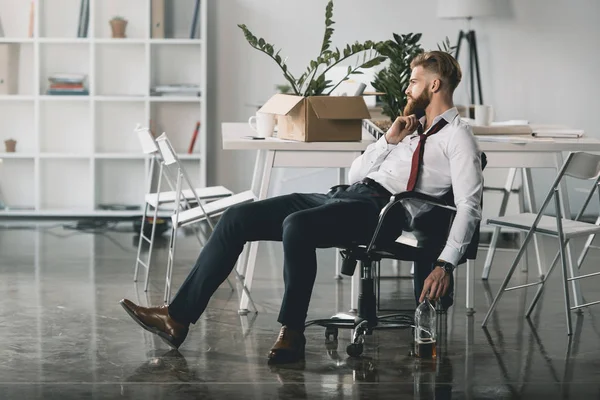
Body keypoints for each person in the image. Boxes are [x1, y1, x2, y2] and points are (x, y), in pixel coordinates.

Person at [120, 50, 483, 365]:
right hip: (349, 195)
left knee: (297, 225)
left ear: (434, 86)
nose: (407, 88)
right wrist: (388, 141)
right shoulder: (411, 129)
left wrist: (444, 262)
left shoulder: (458, 138)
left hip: (382, 213)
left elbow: (468, 205)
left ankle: (291, 332)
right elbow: (357, 172)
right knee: (237, 218)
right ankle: (177, 319)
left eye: (414, 82)